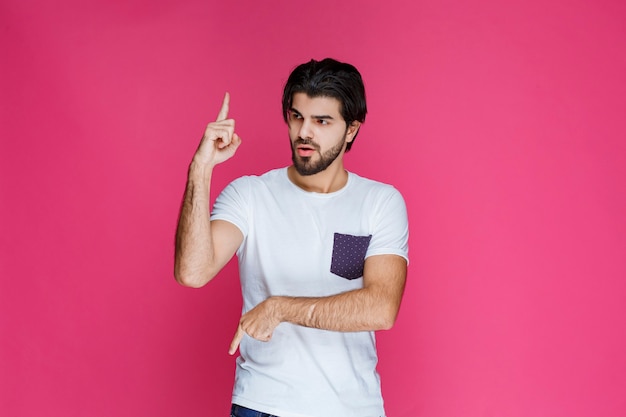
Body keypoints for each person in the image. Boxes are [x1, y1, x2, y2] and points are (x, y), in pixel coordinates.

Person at [174, 58, 409, 417]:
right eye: (297, 116)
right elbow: (192, 272)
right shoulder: (250, 195)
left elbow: (381, 307)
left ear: (351, 129)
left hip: (352, 408)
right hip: (263, 404)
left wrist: (280, 308)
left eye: (322, 121)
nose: (304, 132)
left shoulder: (379, 202)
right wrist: (200, 169)